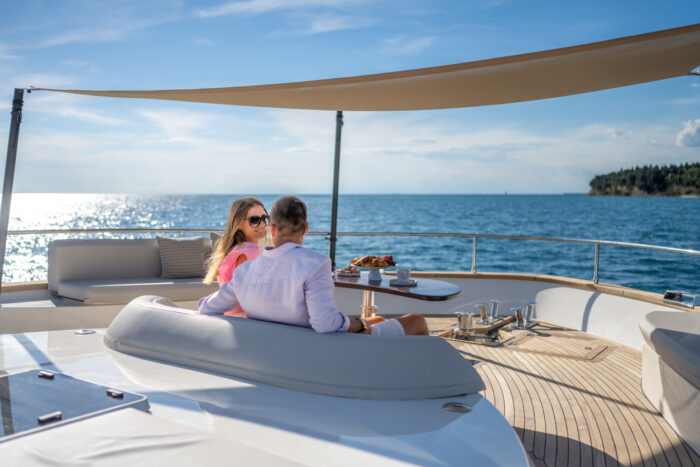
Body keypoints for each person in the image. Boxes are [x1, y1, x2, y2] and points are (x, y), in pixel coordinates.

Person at [198, 196, 428, 336]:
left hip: (272, 348)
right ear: (306, 228)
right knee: (416, 321)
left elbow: (206, 308)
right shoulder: (316, 265)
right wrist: (358, 325)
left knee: (376, 321)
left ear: (273, 229)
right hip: (323, 354)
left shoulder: (245, 273)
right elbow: (325, 324)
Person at [204, 197, 270, 317]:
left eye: (264, 218)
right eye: (254, 220)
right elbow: (249, 301)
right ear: (238, 223)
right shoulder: (249, 253)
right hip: (244, 322)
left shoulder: (234, 250)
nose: (262, 224)